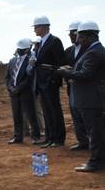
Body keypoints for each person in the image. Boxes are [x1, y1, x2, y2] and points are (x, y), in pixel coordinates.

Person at [56, 22, 105, 172]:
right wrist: (72, 70)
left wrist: (66, 72)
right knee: (97, 131)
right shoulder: (93, 50)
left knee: (95, 132)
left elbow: (86, 75)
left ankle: (95, 163)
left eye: (81, 36)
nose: (78, 39)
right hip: (91, 98)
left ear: (90, 36)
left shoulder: (94, 52)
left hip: (91, 99)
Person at [32, 16, 66, 148]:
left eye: (36, 27)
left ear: (45, 27)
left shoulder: (54, 41)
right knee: (46, 111)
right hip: (40, 81)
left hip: (50, 82)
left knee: (54, 110)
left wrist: (54, 80)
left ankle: (58, 138)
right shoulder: (39, 43)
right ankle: (49, 137)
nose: (35, 29)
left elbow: (60, 63)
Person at [6, 39, 41, 144]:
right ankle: (18, 136)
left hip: (25, 92)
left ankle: (36, 137)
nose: (19, 51)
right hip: (14, 93)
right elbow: (8, 77)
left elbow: (29, 78)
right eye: (18, 49)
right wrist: (10, 87)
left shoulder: (31, 61)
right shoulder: (12, 61)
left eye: (21, 49)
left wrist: (18, 88)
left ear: (27, 50)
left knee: (31, 115)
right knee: (16, 115)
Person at [64, 22, 88, 151]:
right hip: (71, 87)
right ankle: (82, 141)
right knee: (75, 115)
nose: (70, 35)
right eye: (70, 33)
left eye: (73, 33)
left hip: (85, 88)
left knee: (86, 116)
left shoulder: (88, 50)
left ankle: (92, 141)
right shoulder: (69, 51)